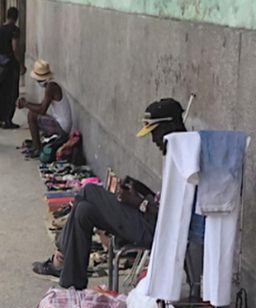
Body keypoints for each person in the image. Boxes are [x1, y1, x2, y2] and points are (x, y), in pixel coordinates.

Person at [32, 98, 188, 289]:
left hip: (155, 228)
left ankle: (60, 251)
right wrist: (141, 189)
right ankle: (72, 285)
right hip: (150, 219)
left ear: (170, 126)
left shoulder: (185, 159)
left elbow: (171, 215)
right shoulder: (176, 153)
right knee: (83, 211)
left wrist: (139, 202)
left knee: (89, 191)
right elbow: (165, 200)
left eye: (155, 133)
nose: (154, 140)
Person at [17, 60, 72, 156]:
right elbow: (42, 106)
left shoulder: (50, 87)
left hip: (62, 127)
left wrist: (26, 104)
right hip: (61, 122)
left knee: (31, 115)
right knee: (33, 113)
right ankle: (36, 145)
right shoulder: (51, 84)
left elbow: (42, 110)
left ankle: (37, 148)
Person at [0, 7, 26, 129]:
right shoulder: (14, 30)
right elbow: (14, 47)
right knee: (12, 92)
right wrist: (21, 63)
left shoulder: (0, 29)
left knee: (2, 91)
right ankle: (7, 120)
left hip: (1, 64)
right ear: (16, 17)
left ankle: (0, 119)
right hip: (11, 65)